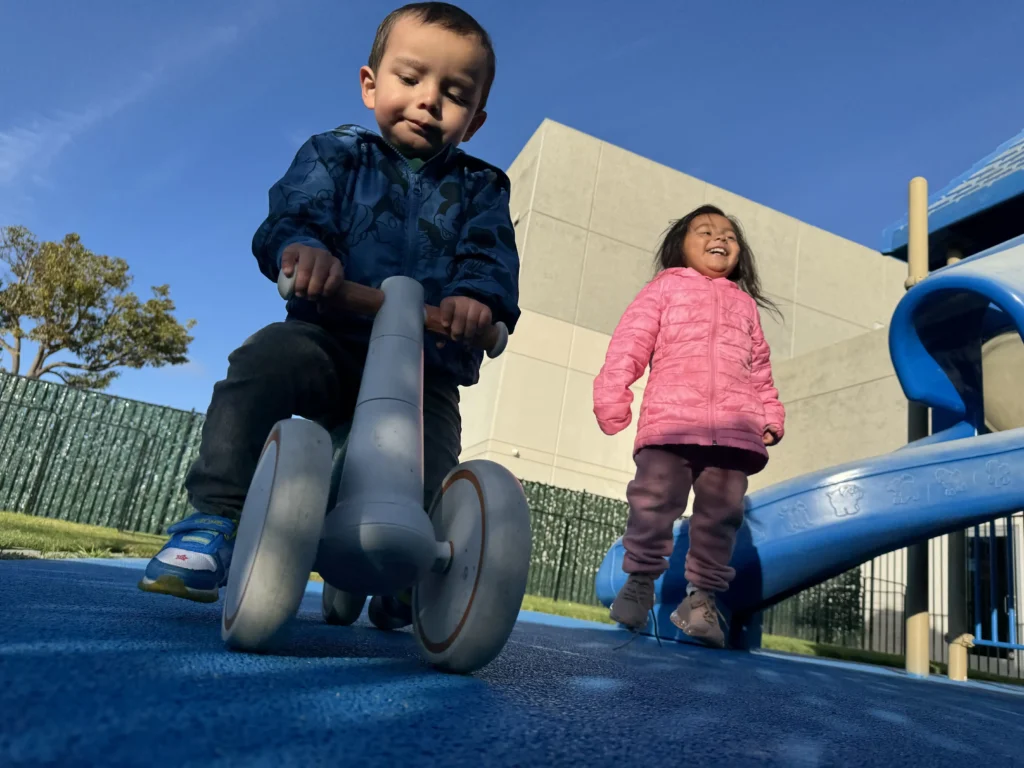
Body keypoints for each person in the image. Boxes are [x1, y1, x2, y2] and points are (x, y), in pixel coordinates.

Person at [138, 2, 520, 632]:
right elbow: (298, 212)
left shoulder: (482, 187)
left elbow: (489, 254)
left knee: (431, 465)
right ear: (371, 84)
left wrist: (477, 301)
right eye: (411, 79)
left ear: (474, 121)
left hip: (424, 367)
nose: (429, 101)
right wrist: (304, 251)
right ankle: (217, 517)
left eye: (453, 93)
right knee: (260, 367)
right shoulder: (337, 155)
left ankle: (409, 574)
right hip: (329, 338)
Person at [592, 204, 785, 648]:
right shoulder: (663, 290)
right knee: (654, 503)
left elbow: (760, 371)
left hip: (734, 435)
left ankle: (701, 602)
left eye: (730, 235)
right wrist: (612, 393)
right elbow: (630, 343)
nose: (720, 237)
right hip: (671, 425)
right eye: (705, 230)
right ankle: (640, 584)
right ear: (680, 245)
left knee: (722, 518)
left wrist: (770, 414)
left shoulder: (744, 305)